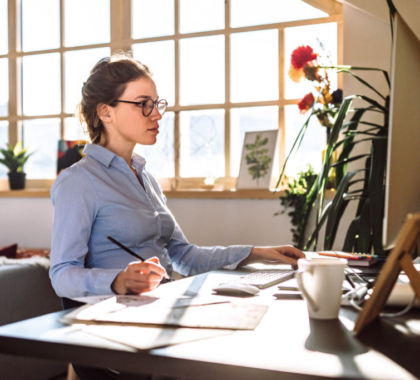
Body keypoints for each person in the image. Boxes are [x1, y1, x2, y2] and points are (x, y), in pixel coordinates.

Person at [49, 51, 305, 380]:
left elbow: (184, 256)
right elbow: (61, 273)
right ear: (105, 112)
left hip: (160, 312)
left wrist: (256, 253)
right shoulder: (79, 180)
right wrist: (118, 280)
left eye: (157, 103)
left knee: (262, 331)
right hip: (117, 332)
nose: (156, 113)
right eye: (143, 104)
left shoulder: (146, 178)